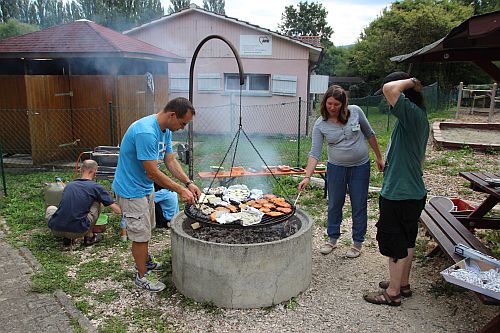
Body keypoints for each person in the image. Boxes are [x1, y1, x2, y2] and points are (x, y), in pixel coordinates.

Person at [112, 97, 201, 293]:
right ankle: (142, 276)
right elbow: (152, 172)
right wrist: (179, 190)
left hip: (144, 187)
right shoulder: (146, 132)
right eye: (182, 123)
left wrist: (188, 182)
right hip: (130, 190)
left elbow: (170, 161)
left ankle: (146, 261)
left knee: (147, 227)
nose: (183, 127)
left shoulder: (165, 130)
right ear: (172, 115)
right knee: (140, 235)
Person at [363, 72, 429, 306]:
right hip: (412, 192)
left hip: (399, 194)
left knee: (395, 242)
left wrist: (413, 82)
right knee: (408, 240)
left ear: (406, 95)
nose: (388, 100)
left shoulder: (411, 114)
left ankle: (392, 293)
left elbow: (389, 89)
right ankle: (403, 283)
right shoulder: (417, 117)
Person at [298, 85, 384, 258]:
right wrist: (307, 176)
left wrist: (379, 157)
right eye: (329, 104)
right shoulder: (320, 124)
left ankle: (357, 242)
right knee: (334, 203)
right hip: (336, 168)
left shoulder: (356, 112)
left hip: (361, 166)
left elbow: (370, 134)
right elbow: (314, 152)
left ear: (343, 104)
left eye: (336, 104)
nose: (332, 108)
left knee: (359, 204)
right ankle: (332, 239)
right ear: (325, 103)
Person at [46, 159, 121, 247]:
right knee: (97, 202)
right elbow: (117, 210)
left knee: (50, 208)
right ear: (94, 172)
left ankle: (67, 240)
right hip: (78, 231)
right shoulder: (96, 187)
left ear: (81, 170)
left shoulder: (69, 185)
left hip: (56, 229)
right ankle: (89, 237)